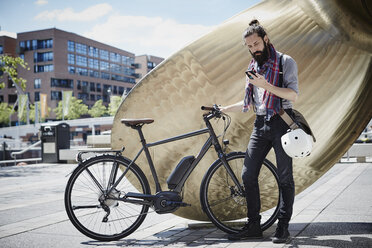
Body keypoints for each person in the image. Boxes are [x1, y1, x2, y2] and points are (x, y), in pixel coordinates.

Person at [221, 19, 299, 244]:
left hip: (282, 122)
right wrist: (225, 108)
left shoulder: (285, 62)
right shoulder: (253, 68)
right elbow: (254, 102)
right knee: (247, 174)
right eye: (249, 46)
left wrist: (267, 86)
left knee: (285, 177)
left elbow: (293, 96)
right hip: (260, 124)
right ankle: (254, 225)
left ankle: (283, 227)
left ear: (265, 39)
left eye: (255, 44)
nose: (253, 49)